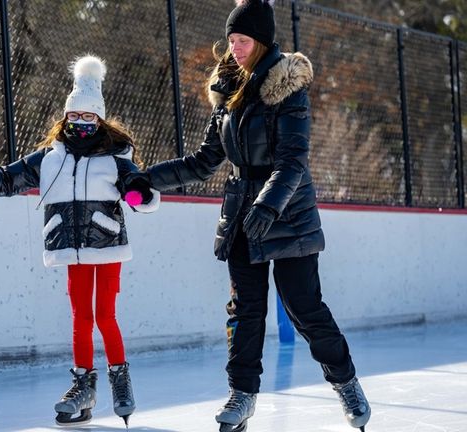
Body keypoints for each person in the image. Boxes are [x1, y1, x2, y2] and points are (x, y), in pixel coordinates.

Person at [124, 1, 370, 431]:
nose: (234, 48)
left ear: (261, 40)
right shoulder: (228, 89)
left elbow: (293, 160)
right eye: (232, 40)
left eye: (243, 40)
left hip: (287, 211)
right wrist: (149, 180)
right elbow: (204, 160)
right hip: (241, 212)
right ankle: (241, 395)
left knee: (303, 307)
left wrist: (270, 204)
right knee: (244, 310)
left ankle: (346, 382)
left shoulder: (287, 88)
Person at [0, 55, 159, 427]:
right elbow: (7, 178)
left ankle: (120, 381)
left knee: (105, 315)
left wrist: (140, 195)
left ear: (100, 119)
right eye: (75, 117)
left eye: (89, 117)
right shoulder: (49, 159)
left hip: (105, 245)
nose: (81, 123)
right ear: (66, 117)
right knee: (80, 317)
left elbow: (136, 183)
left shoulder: (116, 156)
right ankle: (83, 388)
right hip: (70, 248)